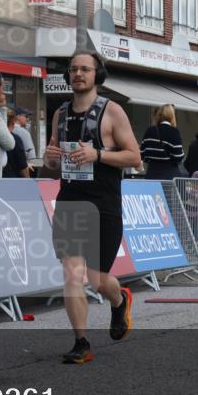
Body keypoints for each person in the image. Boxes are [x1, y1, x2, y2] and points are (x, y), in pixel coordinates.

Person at [43, 50, 140, 364]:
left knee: (98, 280)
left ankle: (118, 298)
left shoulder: (112, 112)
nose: (78, 74)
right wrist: (50, 159)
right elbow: (52, 163)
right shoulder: (60, 114)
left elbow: (134, 157)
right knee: (72, 275)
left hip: (104, 204)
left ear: (98, 74)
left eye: (85, 69)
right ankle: (81, 343)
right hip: (71, 201)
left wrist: (97, 155)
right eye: (73, 69)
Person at [140, 104, 186, 180]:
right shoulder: (174, 132)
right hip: (168, 178)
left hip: (151, 175)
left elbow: (142, 154)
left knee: (151, 192)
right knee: (168, 192)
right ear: (172, 116)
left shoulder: (149, 131)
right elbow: (178, 157)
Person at [2, 109, 31, 178]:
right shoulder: (15, 139)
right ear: (13, 122)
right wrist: (29, 182)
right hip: (13, 180)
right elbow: (23, 166)